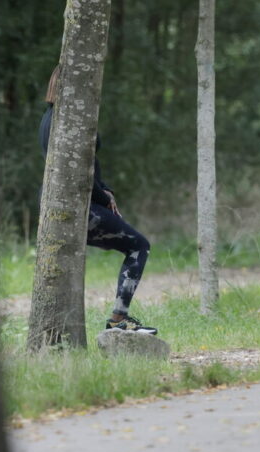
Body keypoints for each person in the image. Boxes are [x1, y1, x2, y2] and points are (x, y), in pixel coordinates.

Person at [38, 66, 158, 335]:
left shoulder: (50, 118)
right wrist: (103, 196)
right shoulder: (68, 121)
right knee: (139, 246)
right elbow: (76, 175)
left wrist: (106, 189)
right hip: (79, 206)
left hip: (61, 204)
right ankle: (118, 319)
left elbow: (87, 167)